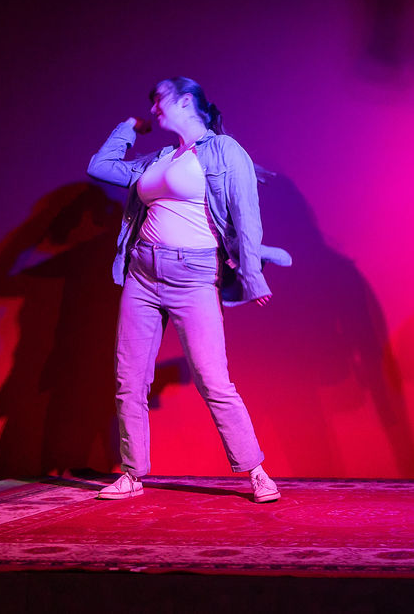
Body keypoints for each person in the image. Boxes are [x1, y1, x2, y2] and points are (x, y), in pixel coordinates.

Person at [88, 77, 283, 503]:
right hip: (142, 274)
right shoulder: (159, 157)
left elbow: (247, 217)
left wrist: (252, 275)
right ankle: (132, 474)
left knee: (214, 380)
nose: (153, 107)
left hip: (193, 278)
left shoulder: (225, 152)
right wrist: (126, 126)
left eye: (158, 99)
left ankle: (256, 471)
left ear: (186, 101)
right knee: (130, 380)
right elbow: (99, 167)